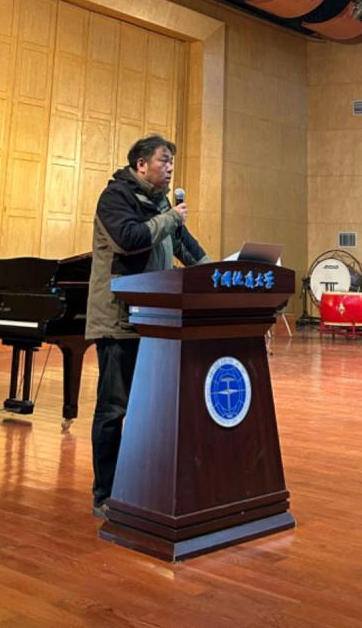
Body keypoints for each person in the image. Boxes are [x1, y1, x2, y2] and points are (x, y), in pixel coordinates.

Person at [86, 134, 210, 518]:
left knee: (152, 409)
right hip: (119, 321)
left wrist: (219, 275)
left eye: (172, 162)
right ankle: (105, 494)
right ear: (141, 165)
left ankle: (141, 485)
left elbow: (189, 250)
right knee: (114, 409)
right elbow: (129, 239)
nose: (170, 168)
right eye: (164, 160)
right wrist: (171, 218)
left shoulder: (161, 206)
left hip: (156, 321)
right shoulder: (115, 198)